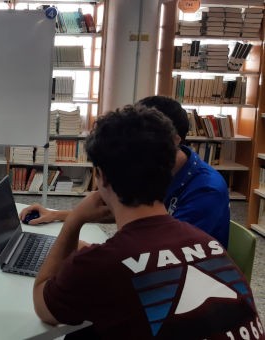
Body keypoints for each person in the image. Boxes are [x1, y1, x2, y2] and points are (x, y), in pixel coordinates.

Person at [33, 104, 262, 339]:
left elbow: (43, 305)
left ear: (100, 176)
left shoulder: (99, 265)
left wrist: (75, 220)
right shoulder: (212, 248)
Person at [20, 95, 230, 247]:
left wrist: (90, 251)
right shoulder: (154, 167)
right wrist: (60, 215)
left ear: (175, 140)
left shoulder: (206, 190)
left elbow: (163, 251)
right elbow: (133, 209)